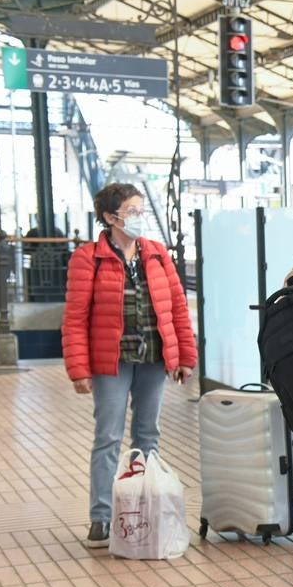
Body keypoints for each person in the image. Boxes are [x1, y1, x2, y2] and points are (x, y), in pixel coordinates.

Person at [63, 183, 197, 549]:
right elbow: (75, 318)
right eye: (133, 211)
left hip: (153, 358)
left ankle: (145, 511)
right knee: (107, 438)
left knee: (148, 436)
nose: (140, 217)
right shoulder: (87, 258)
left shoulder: (156, 254)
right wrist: (79, 369)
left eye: (141, 210)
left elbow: (177, 308)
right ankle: (101, 518)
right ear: (110, 217)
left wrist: (185, 356)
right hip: (111, 362)